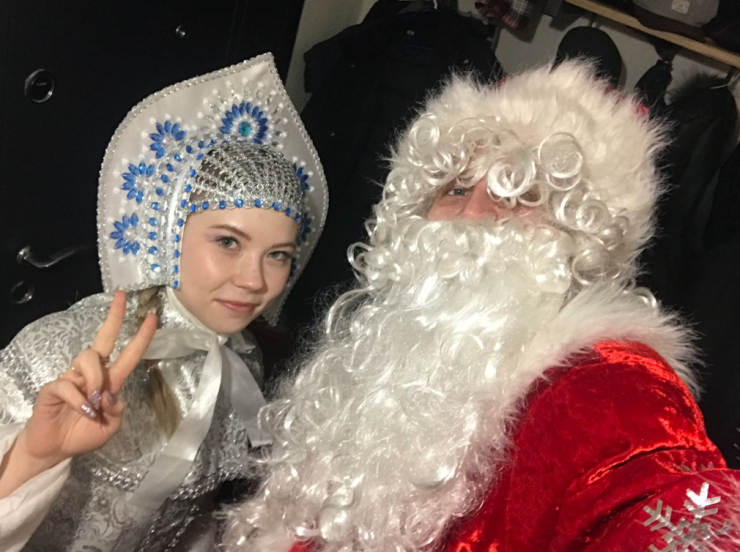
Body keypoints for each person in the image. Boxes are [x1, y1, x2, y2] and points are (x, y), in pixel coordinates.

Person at [222, 62, 740, 552]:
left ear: (579, 240)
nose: (471, 214)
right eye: (455, 188)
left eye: (518, 192)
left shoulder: (605, 381)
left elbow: (664, 501)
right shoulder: (375, 363)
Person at [0, 53, 327, 552]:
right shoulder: (63, 350)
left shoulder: (242, 361)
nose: (254, 281)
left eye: (277, 255)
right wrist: (32, 457)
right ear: (169, 236)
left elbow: (193, 519)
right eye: (228, 242)